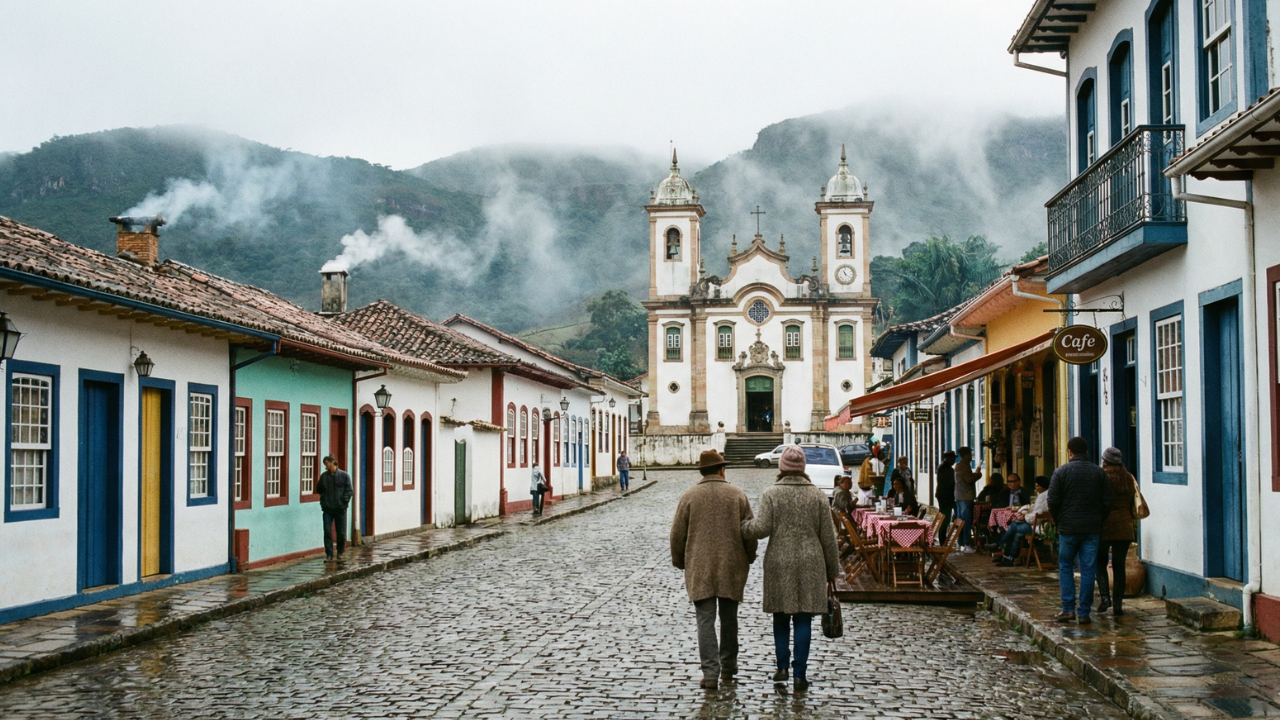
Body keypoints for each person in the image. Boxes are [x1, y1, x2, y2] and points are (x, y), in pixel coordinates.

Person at [742, 446, 840, 694]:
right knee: (804, 617)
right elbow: (829, 537)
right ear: (803, 468)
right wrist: (832, 570)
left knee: (781, 616)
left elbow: (761, 528)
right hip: (811, 562)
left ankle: (782, 668)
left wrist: (743, 527)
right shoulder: (818, 495)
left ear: (781, 467)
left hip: (780, 561)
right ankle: (800, 675)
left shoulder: (771, 494)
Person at [670, 449, 757, 691]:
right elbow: (749, 531)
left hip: (700, 567)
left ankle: (710, 673)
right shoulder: (736, 495)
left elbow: (677, 534)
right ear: (721, 470)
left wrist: (680, 561)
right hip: (731, 566)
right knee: (729, 620)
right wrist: (749, 556)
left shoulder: (689, 496)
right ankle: (728, 665)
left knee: (705, 621)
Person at [1048, 437, 1112, 625]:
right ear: (1086, 451)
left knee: (1066, 566)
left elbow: (1052, 501)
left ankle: (1068, 609)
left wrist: (1060, 519)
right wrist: (1099, 520)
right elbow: (1107, 502)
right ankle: (1084, 611)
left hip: (1068, 528)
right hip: (1092, 528)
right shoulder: (1099, 473)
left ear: (1069, 452)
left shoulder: (1061, 472)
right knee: (1088, 569)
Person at [1095, 447, 1136, 616]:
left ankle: (1105, 598)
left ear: (1105, 461)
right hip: (1124, 526)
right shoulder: (1128, 477)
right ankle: (1118, 604)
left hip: (1104, 526)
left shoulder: (1101, 477)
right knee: (1120, 565)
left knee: (1100, 562)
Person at [995, 476, 1050, 566]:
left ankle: (1000, 544)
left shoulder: (1043, 497)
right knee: (1017, 534)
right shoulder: (1045, 495)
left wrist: (1024, 517)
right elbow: (1034, 507)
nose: (1036, 489)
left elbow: (1037, 515)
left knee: (1014, 525)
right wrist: (1022, 509)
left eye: (1038, 486)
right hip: (1041, 525)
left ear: (1043, 487)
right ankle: (1010, 558)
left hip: (1039, 527)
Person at [317, 456, 353, 561]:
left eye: (327, 464)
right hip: (327, 509)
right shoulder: (324, 476)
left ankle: (340, 551)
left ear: (333, 463)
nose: (326, 466)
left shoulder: (344, 476)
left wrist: (343, 502)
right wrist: (323, 499)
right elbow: (319, 489)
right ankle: (329, 554)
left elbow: (349, 491)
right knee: (327, 531)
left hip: (340, 509)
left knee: (340, 532)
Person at [954, 446, 982, 552]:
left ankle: (962, 542)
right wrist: (978, 474)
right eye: (970, 454)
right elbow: (970, 479)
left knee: (962, 521)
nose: (971, 456)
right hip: (965, 497)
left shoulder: (962, 466)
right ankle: (966, 543)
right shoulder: (962, 467)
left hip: (961, 497)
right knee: (966, 521)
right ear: (965, 455)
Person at [935, 451, 957, 541]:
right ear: (949, 458)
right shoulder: (946, 468)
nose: (954, 460)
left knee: (945, 518)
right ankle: (942, 539)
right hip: (946, 497)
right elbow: (950, 483)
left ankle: (943, 539)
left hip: (945, 496)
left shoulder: (943, 467)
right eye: (953, 458)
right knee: (945, 519)